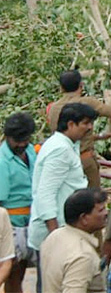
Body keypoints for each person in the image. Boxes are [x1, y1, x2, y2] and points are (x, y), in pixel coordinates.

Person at [29, 101, 96, 256]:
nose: (90, 128)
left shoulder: (67, 145)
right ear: (71, 124)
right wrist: (56, 237)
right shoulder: (60, 150)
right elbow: (46, 194)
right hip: (56, 234)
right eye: (85, 123)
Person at [46, 69, 111, 189]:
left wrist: (99, 137)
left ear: (61, 88)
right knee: (92, 199)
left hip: (63, 160)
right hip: (85, 161)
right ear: (81, 86)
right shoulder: (86, 103)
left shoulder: (53, 109)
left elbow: (67, 135)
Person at [38, 188, 106, 293]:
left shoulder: (55, 236)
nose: (106, 213)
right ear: (83, 218)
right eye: (101, 210)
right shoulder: (83, 256)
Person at [0, 112, 36, 293]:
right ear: (8, 137)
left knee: (21, 271)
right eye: (18, 141)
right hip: (11, 224)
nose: (22, 144)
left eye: (25, 139)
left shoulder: (29, 151)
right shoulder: (2, 160)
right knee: (12, 272)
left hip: (31, 219)